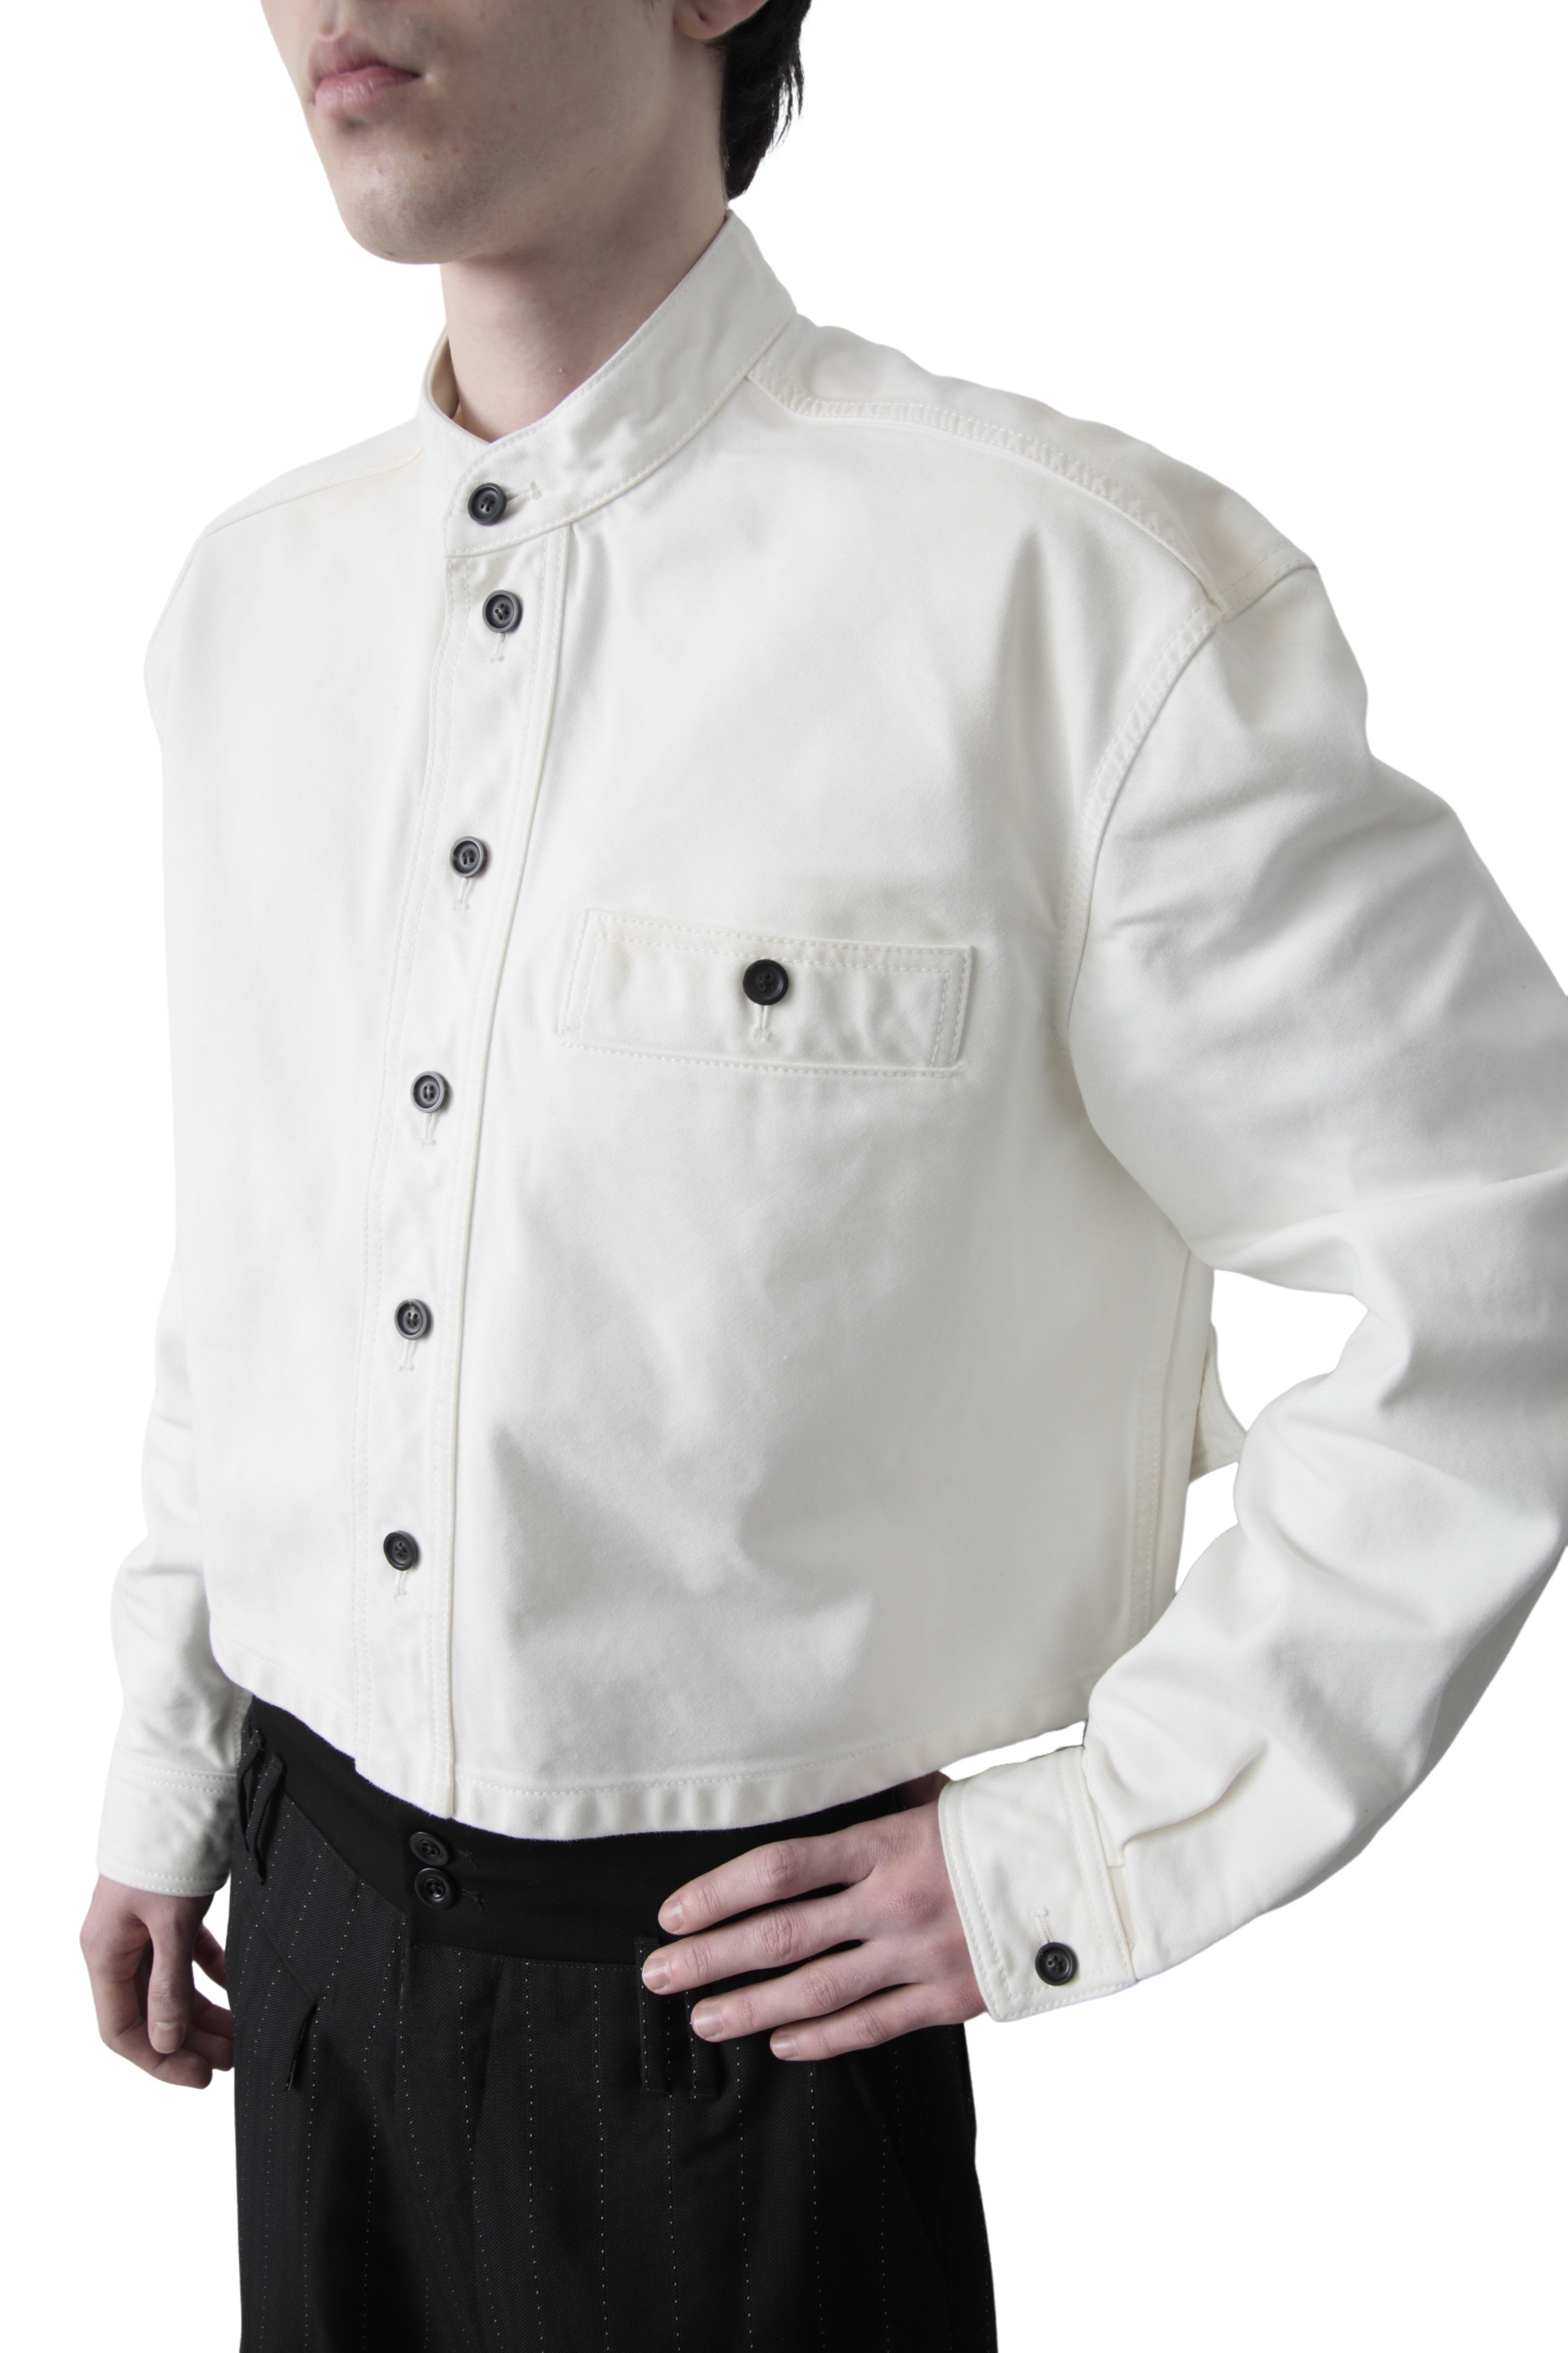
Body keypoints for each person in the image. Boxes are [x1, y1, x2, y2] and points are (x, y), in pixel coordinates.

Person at [79, 3, 1568, 2347]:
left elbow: (1507, 1252)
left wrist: (1097, 1842)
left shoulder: (1072, 597)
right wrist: (170, 1761)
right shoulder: (247, 608)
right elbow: (262, 1256)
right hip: (310, 1940)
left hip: (746, 2007)